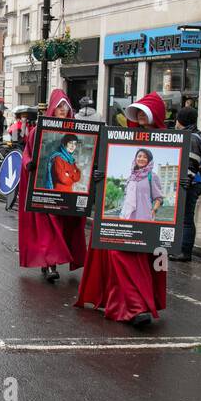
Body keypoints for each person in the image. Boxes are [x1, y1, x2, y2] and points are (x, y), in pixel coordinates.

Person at [76, 91, 181, 328]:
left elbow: (159, 196)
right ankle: (135, 308)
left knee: (143, 264)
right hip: (123, 221)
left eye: (146, 113)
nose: (141, 118)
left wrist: (178, 187)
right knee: (119, 258)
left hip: (145, 224)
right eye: (138, 114)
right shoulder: (126, 150)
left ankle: (136, 304)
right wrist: (99, 175)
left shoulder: (158, 162)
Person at [20, 89, 86, 282]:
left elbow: (78, 168)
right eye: (59, 106)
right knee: (49, 228)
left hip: (67, 195)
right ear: (52, 108)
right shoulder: (37, 131)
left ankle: (50, 261)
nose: (63, 110)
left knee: (63, 229)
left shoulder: (76, 132)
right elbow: (27, 153)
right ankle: (50, 265)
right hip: (45, 190)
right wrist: (29, 163)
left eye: (66, 106)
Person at [172, 106, 201, 262]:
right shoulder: (195, 136)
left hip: (190, 184)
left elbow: (190, 164)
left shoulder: (191, 139)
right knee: (185, 218)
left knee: (186, 219)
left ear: (181, 121)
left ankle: (185, 251)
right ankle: (181, 249)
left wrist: (184, 181)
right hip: (193, 183)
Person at [118, 148, 165, 220]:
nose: (141, 159)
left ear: (149, 160)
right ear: (135, 158)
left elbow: (159, 198)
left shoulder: (152, 176)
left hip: (144, 217)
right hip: (127, 217)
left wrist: (154, 210)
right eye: (139, 156)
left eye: (145, 157)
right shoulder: (131, 177)